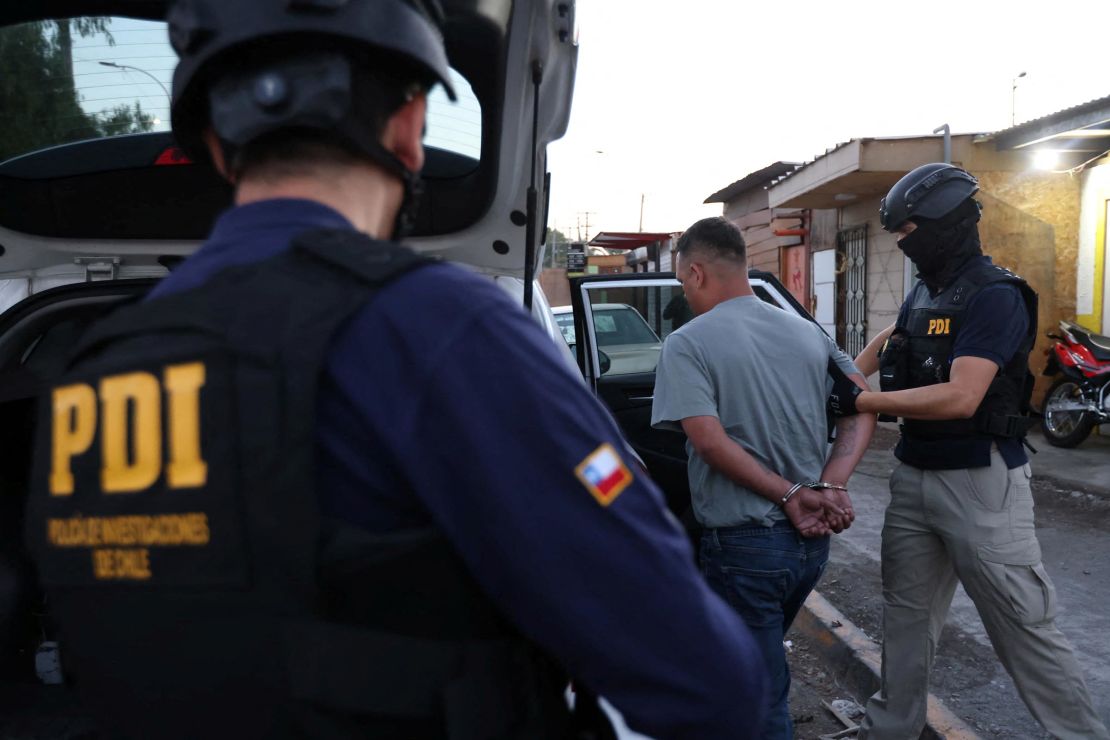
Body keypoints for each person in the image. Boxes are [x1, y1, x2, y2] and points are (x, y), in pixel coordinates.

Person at [23, 2, 772, 738]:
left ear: (214, 145)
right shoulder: (438, 328)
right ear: (410, 126)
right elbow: (704, 680)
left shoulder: (90, 372)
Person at [829, 163, 1109, 740]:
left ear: (944, 225)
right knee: (905, 618)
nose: (904, 245)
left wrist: (861, 404)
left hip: (980, 483)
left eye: (908, 232)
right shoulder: (927, 290)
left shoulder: (995, 296)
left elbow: (963, 396)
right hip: (914, 476)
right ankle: (891, 730)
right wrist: (848, 374)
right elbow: (893, 339)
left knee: (1021, 624)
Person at [651, 216, 876, 740]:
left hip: (744, 545)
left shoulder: (687, 342)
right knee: (760, 666)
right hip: (809, 546)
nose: (685, 291)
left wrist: (793, 493)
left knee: (755, 691)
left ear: (696, 272)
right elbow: (862, 403)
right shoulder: (805, 331)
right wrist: (832, 483)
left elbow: (707, 439)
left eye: (683, 281)